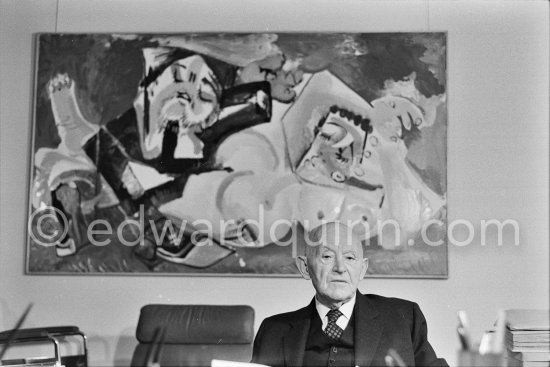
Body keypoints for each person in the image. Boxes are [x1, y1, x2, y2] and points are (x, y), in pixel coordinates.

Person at [251, 221, 448, 367]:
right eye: (327, 256)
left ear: (362, 269)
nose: (340, 268)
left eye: (350, 258)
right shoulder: (273, 331)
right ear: (305, 267)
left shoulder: (403, 318)